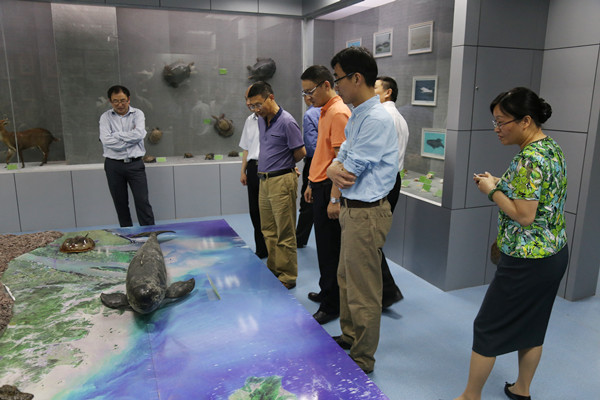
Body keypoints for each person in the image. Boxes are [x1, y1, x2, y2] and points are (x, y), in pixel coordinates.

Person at [457, 87, 568, 400]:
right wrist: (501, 184)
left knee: (487, 326)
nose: (497, 129)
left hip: (526, 260)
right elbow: (536, 198)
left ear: (526, 121)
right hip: (553, 253)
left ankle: (470, 396)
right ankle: (522, 389)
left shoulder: (528, 159)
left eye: (501, 122)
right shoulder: (551, 148)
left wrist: (492, 191)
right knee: (533, 326)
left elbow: (524, 215)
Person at [326, 47, 398, 374]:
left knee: (363, 288)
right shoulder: (359, 114)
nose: (336, 85)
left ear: (356, 78)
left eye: (338, 78)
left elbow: (347, 171)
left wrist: (334, 169)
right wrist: (334, 168)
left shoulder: (377, 118)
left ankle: (363, 357)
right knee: (346, 278)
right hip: (352, 209)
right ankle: (350, 335)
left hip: (367, 212)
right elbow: (341, 156)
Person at [300, 65, 351, 325]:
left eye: (310, 91)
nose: (308, 97)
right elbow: (322, 154)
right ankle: (326, 291)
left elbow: (341, 160)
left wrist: (334, 198)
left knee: (331, 250)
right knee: (323, 247)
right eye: (304, 93)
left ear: (326, 85)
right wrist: (311, 182)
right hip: (319, 184)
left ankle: (333, 305)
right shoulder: (324, 110)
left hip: (330, 189)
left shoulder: (339, 112)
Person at [247, 81, 306, 289]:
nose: (256, 110)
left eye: (258, 104)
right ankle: (274, 268)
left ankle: (288, 276)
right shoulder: (262, 121)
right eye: (251, 106)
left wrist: (286, 165)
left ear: (270, 98)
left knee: (285, 231)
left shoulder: (287, 122)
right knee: (268, 230)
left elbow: (300, 152)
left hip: (281, 180)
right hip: (264, 180)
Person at [373, 76, 409, 308]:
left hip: (384, 183)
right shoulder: (397, 117)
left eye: (375, 87)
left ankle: (388, 291)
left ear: (388, 92)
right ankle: (385, 290)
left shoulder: (385, 117)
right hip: (391, 180)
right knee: (372, 239)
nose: (370, 90)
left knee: (371, 239)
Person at [99, 85, 155, 227]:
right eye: (115, 101)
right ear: (110, 101)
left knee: (142, 201)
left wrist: (116, 135)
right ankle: (127, 234)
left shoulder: (138, 114)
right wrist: (130, 139)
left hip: (135, 164)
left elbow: (139, 134)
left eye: (123, 100)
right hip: (113, 165)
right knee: (120, 203)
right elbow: (106, 140)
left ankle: (150, 233)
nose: (120, 104)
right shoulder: (105, 117)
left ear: (129, 99)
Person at [240, 86, 268, 259]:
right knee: (255, 211)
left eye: (251, 99)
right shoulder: (249, 120)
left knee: (269, 212)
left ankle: (274, 249)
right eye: (246, 99)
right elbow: (246, 147)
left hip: (269, 168)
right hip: (253, 168)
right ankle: (261, 248)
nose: (248, 103)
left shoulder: (274, 118)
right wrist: (243, 170)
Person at [295, 95, 320, 248]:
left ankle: (300, 238)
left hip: (314, 162)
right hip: (333, 162)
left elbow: (310, 146)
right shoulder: (336, 110)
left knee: (307, 199)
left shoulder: (310, 114)